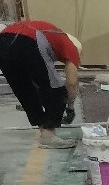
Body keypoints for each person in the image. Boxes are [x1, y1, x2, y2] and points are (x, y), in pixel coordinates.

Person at [0, 20, 81, 149]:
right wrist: (70, 107)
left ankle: (44, 132)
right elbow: (71, 84)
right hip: (29, 40)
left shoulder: (53, 35)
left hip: (3, 41)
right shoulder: (71, 47)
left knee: (25, 90)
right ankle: (48, 136)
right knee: (57, 90)